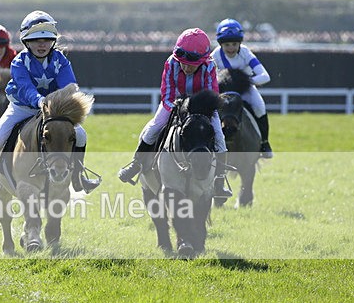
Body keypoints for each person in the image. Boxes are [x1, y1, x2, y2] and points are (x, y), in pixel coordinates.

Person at [0, 10, 100, 203]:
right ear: (26, 41)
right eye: (35, 40)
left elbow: (69, 86)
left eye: (47, 40)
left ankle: (77, 177)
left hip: (52, 111)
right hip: (22, 107)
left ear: (53, 41)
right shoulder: (19, 62)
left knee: (81, 135)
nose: (42, 45)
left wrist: (58, 103)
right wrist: (40, 101)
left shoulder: (61, 60)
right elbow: (25, 89)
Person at [117, 27, 231, 199]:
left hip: (202, 108)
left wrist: (199, 110)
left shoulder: (209, 66)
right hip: (174, 103)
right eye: (183, 63)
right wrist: (179, 108)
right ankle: (136, 164)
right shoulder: (171, 62)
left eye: (191, 65)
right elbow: (167, 92)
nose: (185, 67)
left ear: (202, 61)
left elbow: (211, 95)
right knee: (153, 128)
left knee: (219, 137)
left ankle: (219, 181)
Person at [212, 18, 273, 158]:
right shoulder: (215, 55)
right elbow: (208, 77)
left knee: (259, 107)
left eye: (234, 44)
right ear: (221, 44)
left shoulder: (245, 52)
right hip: (224, 93)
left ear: (240, 43)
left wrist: (245, 81)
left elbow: (265, 76)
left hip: (245, 89)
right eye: (227, 44)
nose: (231, 48)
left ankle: (264, 143)